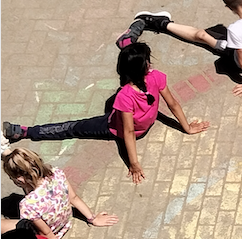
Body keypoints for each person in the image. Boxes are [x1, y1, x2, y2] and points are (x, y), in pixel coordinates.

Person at [2, 43, 210, 184]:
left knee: (72, 127)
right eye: (148, 59)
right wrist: (187, 128)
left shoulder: (125, 96)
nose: (151, 62)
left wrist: (134, 164)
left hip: (116, 129)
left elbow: (127, 132)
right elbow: (173, 104)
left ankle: (25, 132)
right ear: (144, 66)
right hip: (143, 125)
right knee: (77, 127)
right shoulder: (156, 77)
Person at [2, 148, 118, 239]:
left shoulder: (27, 205)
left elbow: (46, 233)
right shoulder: (56, 173)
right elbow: (74, 198)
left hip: (51, 234)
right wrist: (92, 218)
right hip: (65, 222)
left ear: (19, 179)